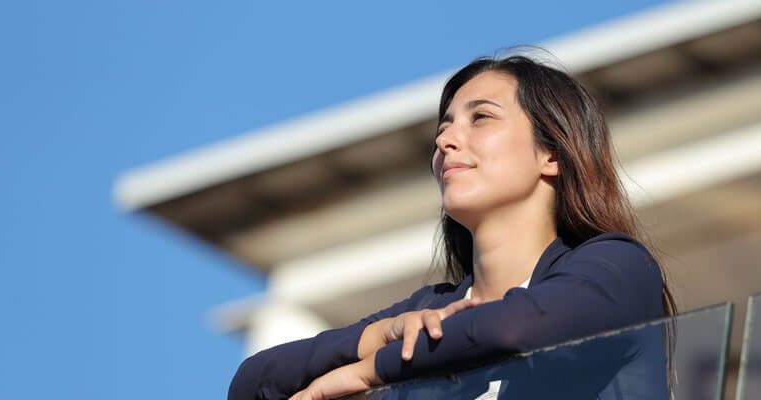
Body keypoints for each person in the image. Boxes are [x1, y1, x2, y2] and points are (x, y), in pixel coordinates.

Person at [227, 52, 677, 400]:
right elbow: (252, 382)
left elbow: (517, 330)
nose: (445, 140)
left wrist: (371, 370)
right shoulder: (428, 312)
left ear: (552, 154)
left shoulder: (618, 267)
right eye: (444, 128)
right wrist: (378, 336)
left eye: (481, 118)